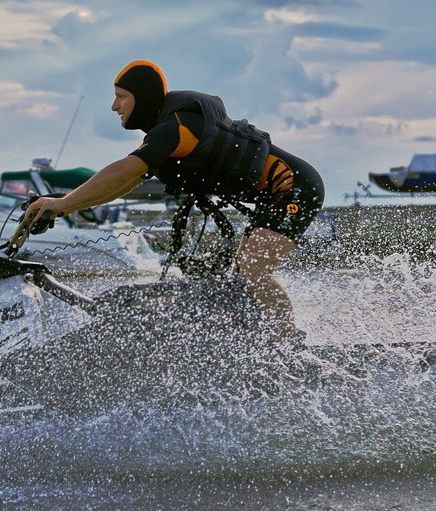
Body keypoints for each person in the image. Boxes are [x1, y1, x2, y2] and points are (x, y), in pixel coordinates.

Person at [22, 60, 324, 343]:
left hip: (296, 187)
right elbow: (123, 185)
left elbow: (122, 170)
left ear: (142, 97)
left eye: (121, 97)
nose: (114, 106)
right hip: (273, 198)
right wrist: (65, 206)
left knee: (253, 272)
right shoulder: (162, 134)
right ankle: (252, 343)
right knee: (241, 280)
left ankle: (289, 346)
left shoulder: (178, 127)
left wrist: (61, 204)